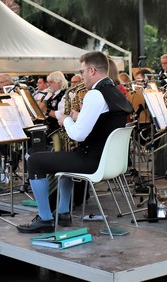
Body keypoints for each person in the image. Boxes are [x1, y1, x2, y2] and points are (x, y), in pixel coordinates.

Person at [17, 52, 133, 233]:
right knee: (66, 161)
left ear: (92, 70)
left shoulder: (95, 94)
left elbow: (78, 135)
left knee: (35, 161)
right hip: (110, 162)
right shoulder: (116, 92)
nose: (82, 76)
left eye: (82, 71)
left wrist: (66, 120)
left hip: (92, 161)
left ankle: (45, 219)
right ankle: (63, 213)